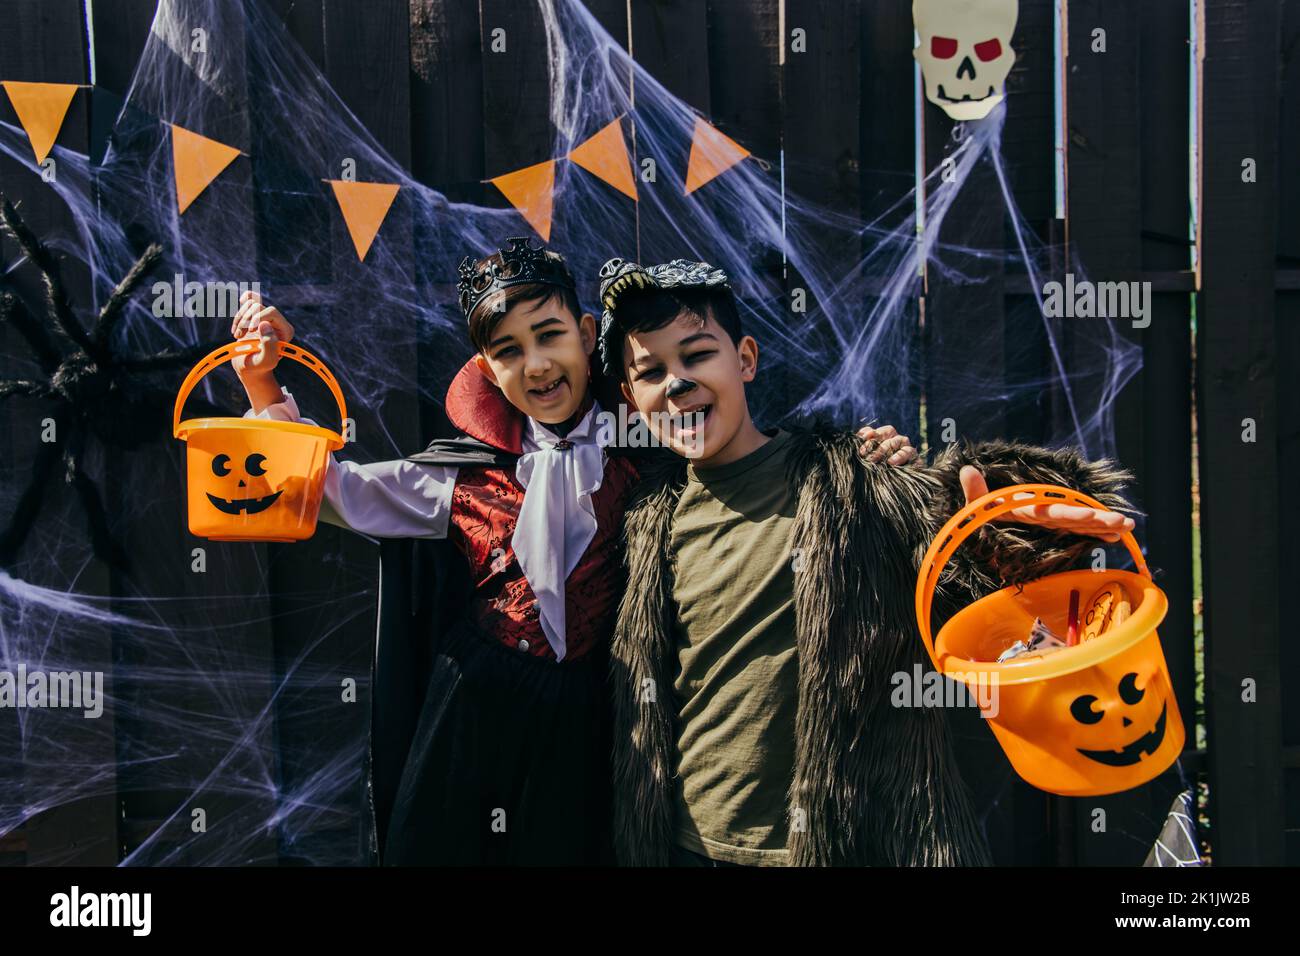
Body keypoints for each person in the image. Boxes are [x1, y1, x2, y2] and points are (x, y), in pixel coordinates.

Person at [228, 238, 916, 865]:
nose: (536, 363)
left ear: (588, 337)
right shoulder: (456, 478)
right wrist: (263, 384)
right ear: (486, 370)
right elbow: (321, 489)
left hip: (591, 722)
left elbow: (746, 468)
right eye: (508, 350)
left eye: (550, 335)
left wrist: (859, 462)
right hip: (475, 715)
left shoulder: (654, 455)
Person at [596, 255, 1139, 867]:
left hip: (853, 844)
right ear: (629, 395)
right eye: (652, 371)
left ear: (744, 358)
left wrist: (1019, 511)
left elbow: (974, 553)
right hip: (690, 847)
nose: (677, 383)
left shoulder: (856, 483)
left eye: (697, 356)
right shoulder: (643, 521)